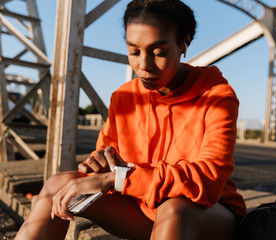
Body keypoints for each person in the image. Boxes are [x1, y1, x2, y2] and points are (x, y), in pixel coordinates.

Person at [15, 0, 246, 239]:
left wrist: (118, 178)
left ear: (184, 42)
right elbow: (107, 164)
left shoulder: (217, 96)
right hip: (143, 210)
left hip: (205, 215)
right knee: (58, 185)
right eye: (134, 51)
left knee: (174, 208)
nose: (144, 65)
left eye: (158, 52)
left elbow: (208, 182)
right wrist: (100, 165)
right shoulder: (124, 97)